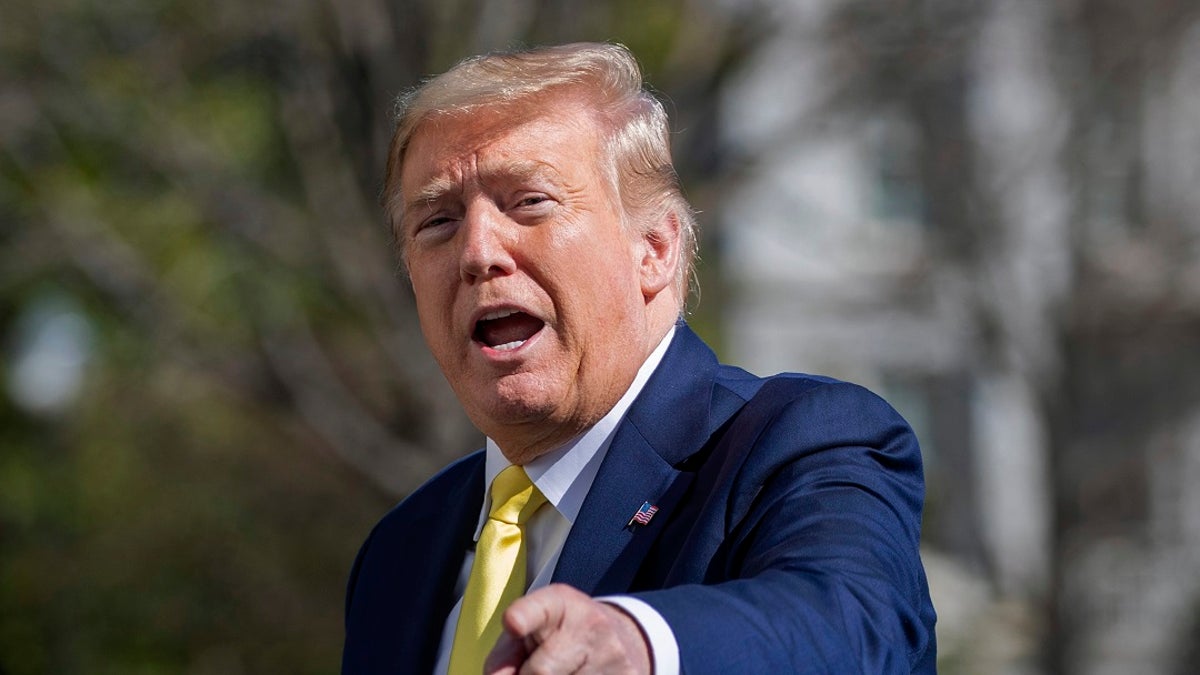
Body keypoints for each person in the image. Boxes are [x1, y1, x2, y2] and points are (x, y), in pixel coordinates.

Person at [341, 42, 937, 674]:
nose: (478, 251)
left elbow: (854, 625)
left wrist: (640, 642)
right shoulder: (400, 550)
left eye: (529, 201)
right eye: (437, 222)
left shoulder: (803, 443)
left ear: (653, 248)